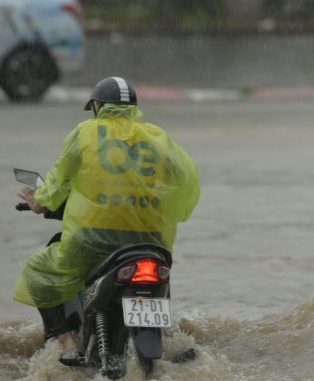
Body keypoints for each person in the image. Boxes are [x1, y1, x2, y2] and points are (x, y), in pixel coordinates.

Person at [15, 76, 201, 357]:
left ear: (98, 107)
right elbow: (188, 182)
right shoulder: (159, 138)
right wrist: (177, 211)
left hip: (93, 241)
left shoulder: (85, 133)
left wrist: (39, 203)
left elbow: (57, 182)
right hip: (153, 242)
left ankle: (66, 343)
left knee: (39, 272)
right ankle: (165, 335)